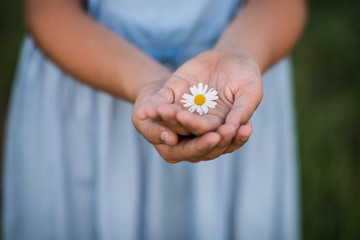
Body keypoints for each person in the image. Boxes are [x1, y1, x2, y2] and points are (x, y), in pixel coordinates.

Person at [3, 0, 306, 239]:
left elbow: (281, 4)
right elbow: (46, 10)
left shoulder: (223, 87)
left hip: (235, 79)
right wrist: (147, 81)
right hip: (90, 72)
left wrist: (238, 53)